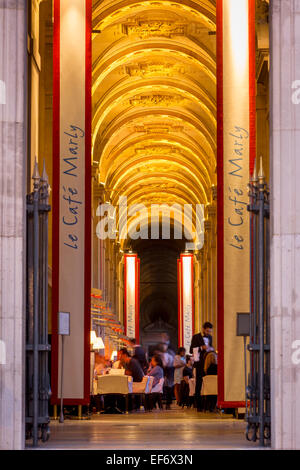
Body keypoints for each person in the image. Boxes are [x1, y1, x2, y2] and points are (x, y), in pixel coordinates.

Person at [190, 322, 214, 411]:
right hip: (199, 363)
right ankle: (198, 406)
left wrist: (211, 349)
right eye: (207, 331)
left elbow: (210, 347)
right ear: (203, 329)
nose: (208, 333)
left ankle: (208, 405)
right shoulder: (196, 337)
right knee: (198, 384)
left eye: (210, 331)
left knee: (209, 383)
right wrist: (201, 348)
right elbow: (191, 349)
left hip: (208, 363)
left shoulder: (210, 337)